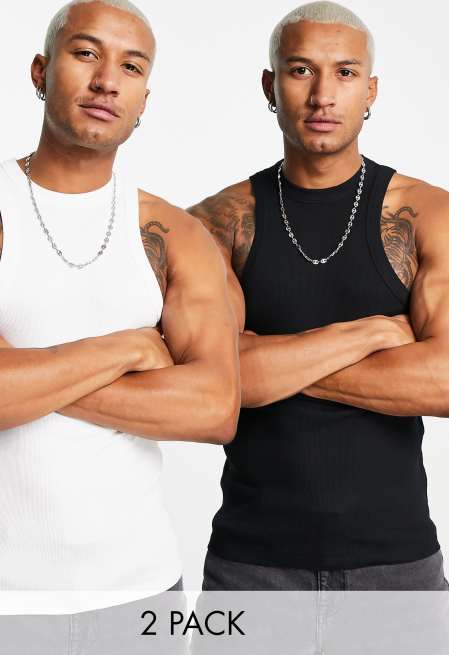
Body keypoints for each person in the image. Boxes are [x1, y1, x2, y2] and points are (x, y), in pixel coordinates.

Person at [0, 0, 239, 623]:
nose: (107, 81)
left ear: (144, 99)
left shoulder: (175, 234)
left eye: (131, 67)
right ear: (40, 71)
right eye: (85, 54)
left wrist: (10, 374)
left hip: (142, 596)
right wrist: (126, 349)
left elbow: (213, 409)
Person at [188, 0, 449, 591]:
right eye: (301, 70)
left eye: (345, 73)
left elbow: (443, 382)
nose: (323, 95)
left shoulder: (428, 215)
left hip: (399, 568)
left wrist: (268, 362)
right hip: (250, 568)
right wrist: (369, 334)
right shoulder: (214, 224)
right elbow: (211, 383)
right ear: (270, 86)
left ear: (371, 91)